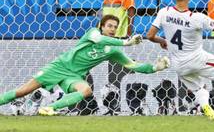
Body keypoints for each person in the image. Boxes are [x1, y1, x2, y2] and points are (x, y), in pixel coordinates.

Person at [0, 15, 170, 116]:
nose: (112, 29)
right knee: (23, 91)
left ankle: (48, 108)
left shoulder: (112, 50)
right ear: (101, 26)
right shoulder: (93, 33)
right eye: (109, 26)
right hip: (59, 66)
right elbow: (100, 39)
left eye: (115, 27)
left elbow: (133, 65)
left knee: (86, 90)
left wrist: (155, 68)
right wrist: (126, 42)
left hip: (74, 76)